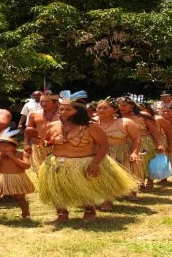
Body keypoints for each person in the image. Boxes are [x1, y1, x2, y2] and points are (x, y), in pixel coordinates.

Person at [38, 93, 138, 223]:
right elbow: (45, 143)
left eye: (68, 109)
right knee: (57, 188)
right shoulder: (53, 126)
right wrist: (47, 142)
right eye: (61, 109)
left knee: (85, 187)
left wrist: (95, 163)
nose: (63, 112)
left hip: (83, 162)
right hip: (56, 163)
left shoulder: (91, 127)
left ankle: (89, 210)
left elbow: (103, 145)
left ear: (79, 111)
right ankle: (62, 214)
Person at [0, 129, 34, 226]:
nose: (2, 149)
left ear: (15, 146)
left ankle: (26, 213)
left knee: (19, 197)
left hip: (17, 178)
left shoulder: (21, 154)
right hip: (2, 179)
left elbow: (27, 166)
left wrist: (13, 157)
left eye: (6, 146)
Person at [94, 99, 141, 210]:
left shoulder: (125, 122)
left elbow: (136, 138)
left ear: (115, 109)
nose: (101, 110)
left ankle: (108, 200)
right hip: (97, 152)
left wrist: (135, 152)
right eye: (99, 108)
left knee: (112, 176)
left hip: (120, 153)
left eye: (105, 108)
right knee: (99, 176)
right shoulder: (91, 122)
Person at [118, 97, 164, 191]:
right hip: (126, 143)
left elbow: (154, 130)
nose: (121, 107)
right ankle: (139, 182)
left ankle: (150, 181)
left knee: (146, 162)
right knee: (133, 165)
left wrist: (160, 143)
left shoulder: (143, 115)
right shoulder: (116, 117)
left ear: (131, 105)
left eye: (124, 105)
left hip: (145, 142)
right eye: (119, 105)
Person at [24, 92, 60, 173]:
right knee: (39, 170)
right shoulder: (34, 114)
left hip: (57, 146)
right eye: (41, 101)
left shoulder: (63, 114)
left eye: (47, 101)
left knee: (55, 172)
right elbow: (28, 130)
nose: (43, 104)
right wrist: (26, 144)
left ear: (56, 102)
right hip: (38, 146)